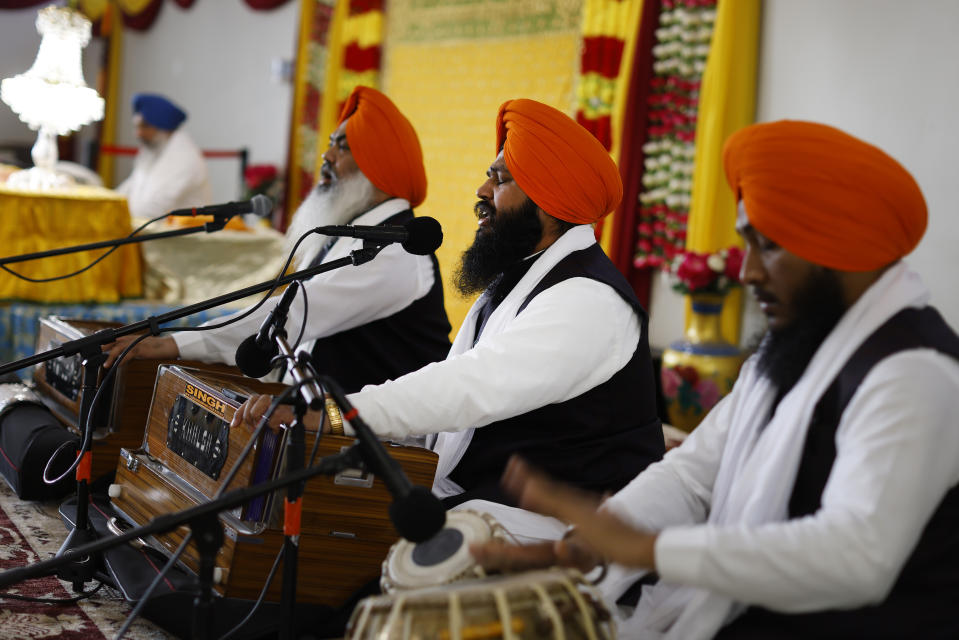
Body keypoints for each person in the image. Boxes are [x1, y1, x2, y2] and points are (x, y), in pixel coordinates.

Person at [470, 120, 959, 639]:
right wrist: (590, 542)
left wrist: (648, 549)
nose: (747, 272)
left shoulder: (914, 372)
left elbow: (856, 557)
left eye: (766, 246)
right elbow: (694, 474)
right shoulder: (799, 344)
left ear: (837, 249)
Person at [233, 98, 666, 536]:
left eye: (499, 179)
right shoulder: (522, 279)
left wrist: (336, 413)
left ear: (547, 199)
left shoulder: (587, 300)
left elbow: (469, 388)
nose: (482, 192)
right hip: (479, 504)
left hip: (557, 531)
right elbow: (451, 405)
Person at [105, 87, 452, 394]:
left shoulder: (398, 251)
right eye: (330, 144)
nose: (326, 156)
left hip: (380, 449)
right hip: (322, 426)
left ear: (380, 165)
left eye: (343, 148)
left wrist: (173, 344)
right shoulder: (353, 233)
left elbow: (295, 312)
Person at [116, 93, 213, 219]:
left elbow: (153, 208)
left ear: (163, 127)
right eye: (137, 127)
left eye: (144, 126)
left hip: (179, 237)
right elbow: (131, 188)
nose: (138, 134)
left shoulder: (183, 157)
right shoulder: (154, 150)